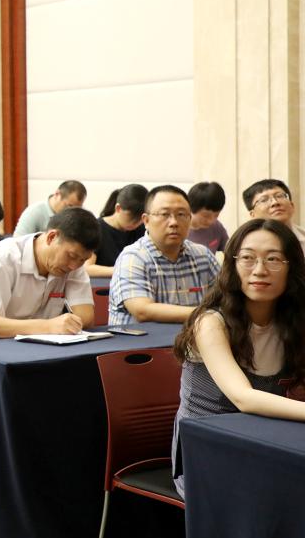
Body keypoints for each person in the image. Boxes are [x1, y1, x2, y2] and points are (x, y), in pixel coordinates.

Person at [171, 219, 305, 497]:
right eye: (247, 258)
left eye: (273, 259)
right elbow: (243, 398)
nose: (259, 270)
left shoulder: (293, 321)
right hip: (208, 452)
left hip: (267, 440)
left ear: (291, 267)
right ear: (232, 265)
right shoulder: (211, 322)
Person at [0, 207, 98, 339]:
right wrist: (47, 326)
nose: (74, 266)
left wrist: (65, 323)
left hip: (33, 348)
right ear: (51, 237)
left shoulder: (73, 265)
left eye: (83, 260)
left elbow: (85, 317)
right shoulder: (5, 256)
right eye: (71, 256)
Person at [109, 185, 220, 327]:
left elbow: (227, 298)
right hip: (145, 340)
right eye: (164, 214)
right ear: (146, 221)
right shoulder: (133, 257)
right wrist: (208, 313)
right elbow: (142, 310)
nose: (174, 222)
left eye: (181, 215)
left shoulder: (203, 256)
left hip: (194, 338)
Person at [85, 183, 147, 278]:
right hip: (102, 284)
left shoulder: (143, 230)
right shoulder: (96, 228)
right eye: (131, 217)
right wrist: (123, 270)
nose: (135, 223)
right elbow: (87, 268)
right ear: (118, 208)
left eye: (140, 219)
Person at [242, 179, 305, 253]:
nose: (275, 202)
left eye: (279, 196)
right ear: (253, 214)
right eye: (264, 200)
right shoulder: (245, 244)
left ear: (292, 205)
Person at [14, 180, 87, 236]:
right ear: (57, 194)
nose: (73, 212)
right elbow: (17, 243)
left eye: (77, 208)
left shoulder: (78, 214)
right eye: (69, 206)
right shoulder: (34, 212)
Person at [188, 181, 229, 254]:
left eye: (216, 215)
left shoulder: (217, 227)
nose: (211, 221)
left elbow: (230, 251)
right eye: (206, 216)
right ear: (191, 208)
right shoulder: (179, 229)